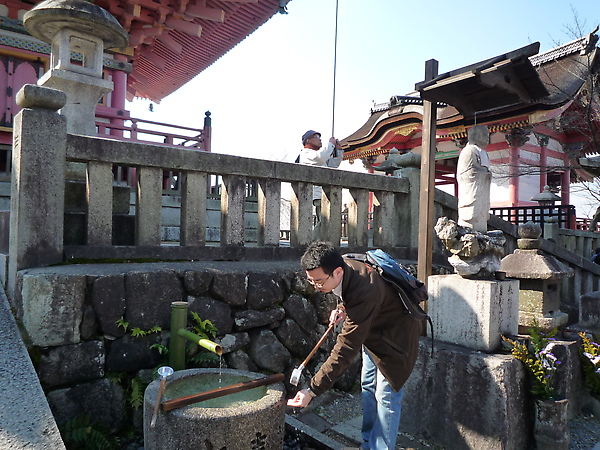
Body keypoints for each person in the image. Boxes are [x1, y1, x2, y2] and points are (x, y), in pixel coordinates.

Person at [287, 241, 422, 450]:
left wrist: (312, 390)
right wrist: (343, 307)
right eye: (311, 281)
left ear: (337, 272)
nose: (316, 286)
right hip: (372, 333)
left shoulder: (364, 289)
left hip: (396, 339)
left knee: (386, 397)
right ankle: (368, 443)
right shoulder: (345, 265)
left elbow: (345, 349)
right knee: (368, 387)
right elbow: (349, 294)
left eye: (319, 281)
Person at [297, 130, 343, 238]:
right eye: (317, 137)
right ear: (308, 140)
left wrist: (338, 150)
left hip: (322, 194)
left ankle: (317, 242)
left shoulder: (319, 157)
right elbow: (320, 158)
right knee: (324, 220)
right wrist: (331, 144)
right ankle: (313, 242)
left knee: (325, 220)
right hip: (316, 193)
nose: (320, 139)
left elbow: (333, 164)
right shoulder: (306, 153)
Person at [457, 124, 492, 232]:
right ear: (475, 136)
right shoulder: (469, 150)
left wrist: (486, 174)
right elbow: (465, 174)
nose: (487, 138)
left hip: (481, 193)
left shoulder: (484, 153)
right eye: (485, 135)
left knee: (481, 219)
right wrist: (483, 173)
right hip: (472, 192)